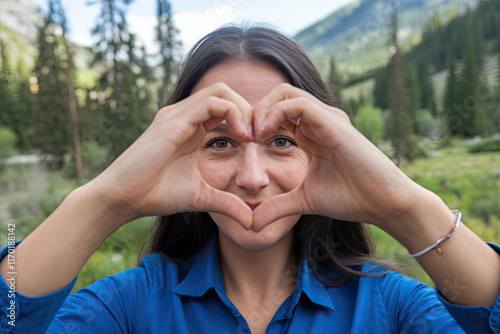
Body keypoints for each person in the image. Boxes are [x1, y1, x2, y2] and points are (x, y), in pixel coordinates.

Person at [1, 25, 499, 334]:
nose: (252, 177)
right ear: (178, 155)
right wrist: (106, 201)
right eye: (219, 142)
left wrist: (405, 207)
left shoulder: (392, 308)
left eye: (283, 141)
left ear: (321, 155)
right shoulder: (127, 308)